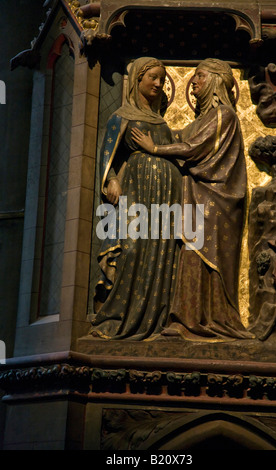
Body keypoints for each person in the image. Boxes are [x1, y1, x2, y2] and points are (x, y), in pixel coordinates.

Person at [131, 58, 254, 342]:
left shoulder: (224, 115)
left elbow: (194, 148)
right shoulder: (202, 120)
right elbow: (182, 137)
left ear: (213, 81)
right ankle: (185, 318)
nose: (194, 81)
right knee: (189, 255)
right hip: (196, 201)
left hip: (216, 202)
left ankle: (211, 320)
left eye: (199, 76)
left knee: (204, 258)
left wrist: (156, 147)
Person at [90, 57, 182, 340]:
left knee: (163, 254)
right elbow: (108, 157)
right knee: (130, 250)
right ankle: (118, 317)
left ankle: (156, 320)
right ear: (138, 79)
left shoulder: (162, 121)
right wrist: (112, 180)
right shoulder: (121, 117)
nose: (158, 83)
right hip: (137, 187)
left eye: (162, 80)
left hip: (167, 194)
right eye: (153, 77)